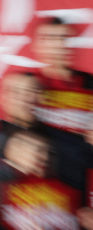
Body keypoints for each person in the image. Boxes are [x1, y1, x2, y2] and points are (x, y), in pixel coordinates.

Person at [31, 17, 93, 196]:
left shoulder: (89, 84)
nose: (57, 45)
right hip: (42, 184)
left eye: (62, 38)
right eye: (49, 38)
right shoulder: (28, 87)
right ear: (36, 45)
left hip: (84, 180)